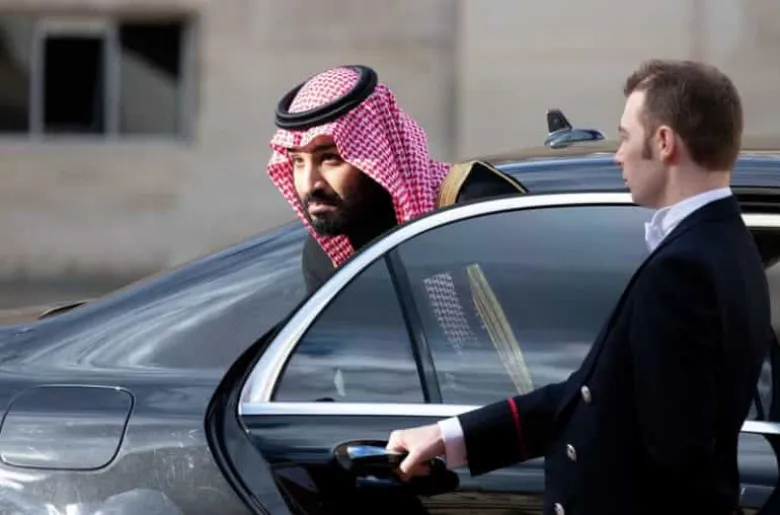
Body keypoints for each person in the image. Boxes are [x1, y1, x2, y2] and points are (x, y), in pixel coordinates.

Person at [386, 59, 773, 515]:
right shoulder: (727, 246)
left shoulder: (683, 268)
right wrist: (451, 436)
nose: (618, 155)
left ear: (664, 142)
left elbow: (676, 465)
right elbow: (592, 396)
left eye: (626, 137)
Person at [265, 65, 526, 293]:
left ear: (377, 153)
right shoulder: (323, 255)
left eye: (330, 158)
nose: (310, 184)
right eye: (298, 161)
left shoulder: (474, 205)